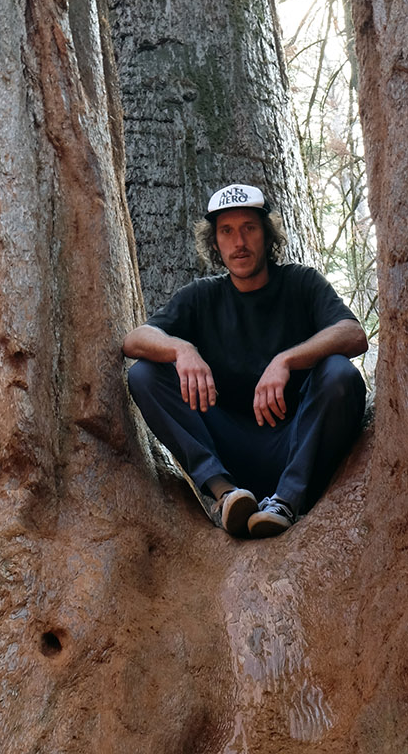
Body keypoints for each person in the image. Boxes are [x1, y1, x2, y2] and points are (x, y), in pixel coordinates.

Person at [123, 182, 368, 537]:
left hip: (298, 446)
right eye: (227, 231)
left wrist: (285, 360)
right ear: (214, 243)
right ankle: (225, 496)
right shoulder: (201, 297)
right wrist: (182, 350)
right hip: (229, 451)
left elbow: (352, 334)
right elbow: (135, 340)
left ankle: (286, 501)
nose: (239, 242)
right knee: (145, 375)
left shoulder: (301, 283)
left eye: (249, 229)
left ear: (268, 236)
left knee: (339, 373)